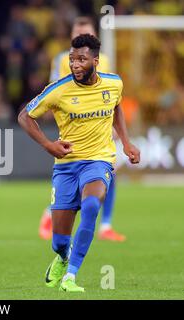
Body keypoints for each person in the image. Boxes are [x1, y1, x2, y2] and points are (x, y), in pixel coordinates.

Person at [18, 34, 140, 292]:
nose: (75, 64)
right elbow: (24, 117)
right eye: (72, 59)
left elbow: (116, 107)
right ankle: (63, 257)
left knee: (92, 203)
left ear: (96, 61)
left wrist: (126, 143)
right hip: (66, 167)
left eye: (81, 59)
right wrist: (48, 144)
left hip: (98, 160)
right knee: (59, 241)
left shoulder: (113, 83)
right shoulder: (59, 90)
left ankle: (70, 275)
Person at [39, 17, 126, 242]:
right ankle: (52, 213)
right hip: (73, 124)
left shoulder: (104, 61)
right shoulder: (61, 60)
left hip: (99, 127)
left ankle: (105, 224)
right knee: (71, 174)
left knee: (106, 172)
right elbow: (57, 91)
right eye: (78, 31)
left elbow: (110, 93)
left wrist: (117, 130)